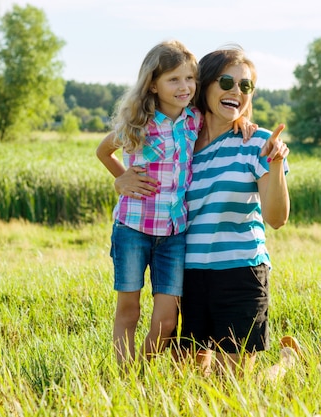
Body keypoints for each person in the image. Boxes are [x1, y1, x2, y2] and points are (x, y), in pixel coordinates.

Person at [115, 45, 292, 375]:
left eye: (245, 86)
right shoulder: (183, 141)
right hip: (191, 277)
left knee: (231, 387)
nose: (236, 92)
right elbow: (134, 162)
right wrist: (121, 179)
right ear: (206, 84)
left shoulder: (258, 143)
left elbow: (277, 219)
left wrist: (277, 163)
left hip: (240, 274)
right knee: (192, 381)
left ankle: (285, 364)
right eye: (227, 82)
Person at [95, 40, 255, 369]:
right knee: (129, 310)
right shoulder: (137, 122)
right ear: (153, 84)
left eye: (190, 79)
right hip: (132, 229)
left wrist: (244, 122)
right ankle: (124, 377)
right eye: (173, 79)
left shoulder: (194, 120)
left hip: (173, 235)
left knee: (167, 322)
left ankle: (137, 371)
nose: (184, 87)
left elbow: (224, 118)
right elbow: (103, 150)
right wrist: (121, 179)